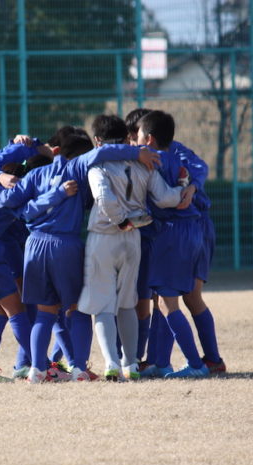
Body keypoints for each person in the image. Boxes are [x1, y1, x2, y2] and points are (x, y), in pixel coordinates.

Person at [0, 134, 160, 383]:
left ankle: (37, 369)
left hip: (35, 245)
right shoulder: (76, 169)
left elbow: (13, 202)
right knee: (77, 310)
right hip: (66, 245)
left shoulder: (34, 175)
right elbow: (101, 153)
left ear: (55, 150)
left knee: (44, 313)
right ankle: (78, 369)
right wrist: (136, 153)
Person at [77, 114, 186, 381]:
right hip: (133, 238)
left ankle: (112, 363)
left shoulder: (98, 166)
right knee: (128, 303)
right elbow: (166, 198)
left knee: (103, 305)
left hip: (104, 236)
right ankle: (131, 363)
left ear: (97, 141)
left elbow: (103, 198)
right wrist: (184, 186)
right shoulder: (143, 164)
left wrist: (120, 220)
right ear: (127, 137)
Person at [0, 138, 73, 384]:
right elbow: (27, 209)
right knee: (16, 311)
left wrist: (29, 144)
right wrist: (59, 193)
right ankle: (41, 367)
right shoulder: (15, 189)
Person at [135, 110, 210, 378]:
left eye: (138, 136)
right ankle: (161, 363)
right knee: (165, 300)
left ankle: (196, 365)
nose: (135, 141)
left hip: (171, 231)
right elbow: (201, 167)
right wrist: (193, 187)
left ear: (149, 139)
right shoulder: (180, 156)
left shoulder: (150, 160)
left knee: (168, 304)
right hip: (191, 230)